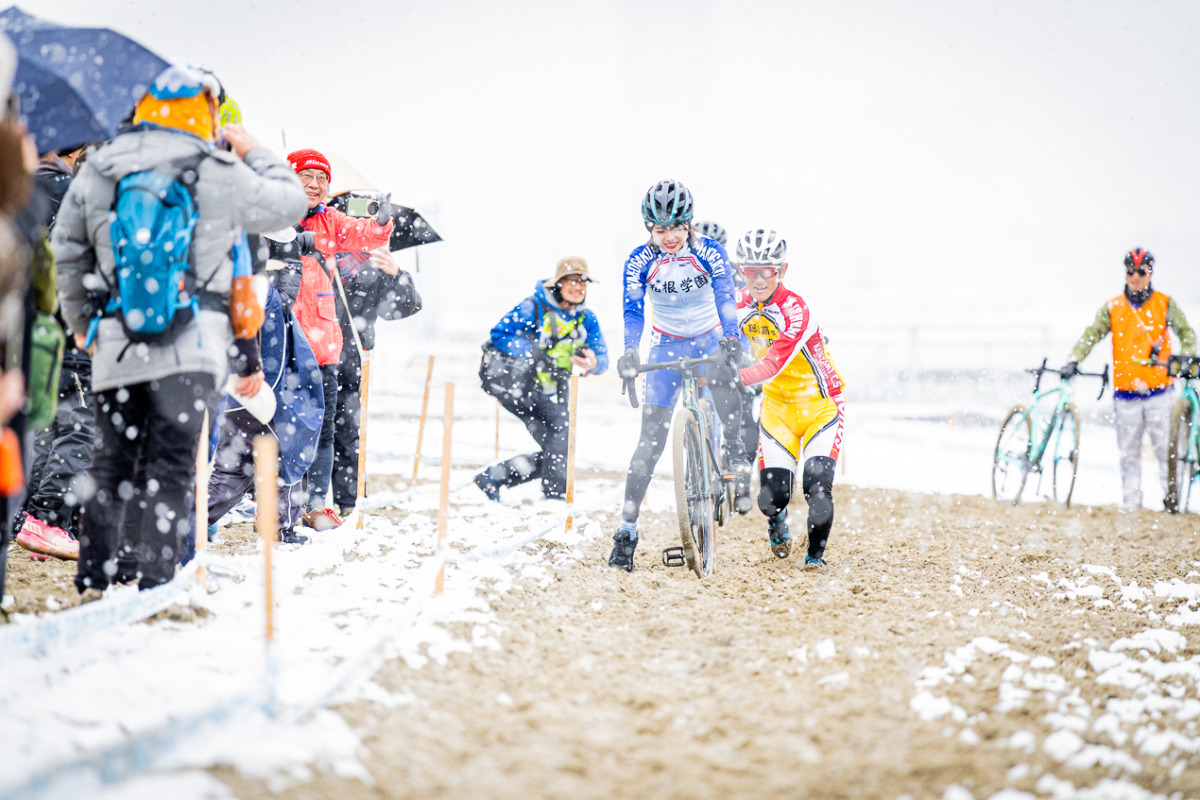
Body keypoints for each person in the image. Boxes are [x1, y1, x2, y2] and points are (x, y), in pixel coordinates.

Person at [54, 65, 307, 595]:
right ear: (205, 110)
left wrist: (86, 326)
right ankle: (157, 580)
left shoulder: (101, 166)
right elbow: (289, 205)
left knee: (112, 458)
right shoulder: (215, 166)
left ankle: (95, 575)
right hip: (194, 345)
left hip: (117, 340)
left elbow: (67, 254)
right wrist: (255, 150)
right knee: (170, 465)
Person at [609, 179, 746, 572]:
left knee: (723, 373)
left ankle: (733, 447)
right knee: (649, 442)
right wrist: (631, 353)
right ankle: (626, 532)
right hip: (666, 345)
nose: (668, 237)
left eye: (675, 228)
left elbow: (724, 295)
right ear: (649, 230)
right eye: (659, 229)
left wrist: (731, 336)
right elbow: (634, 312)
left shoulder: (710, 251)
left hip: (707, 338)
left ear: (689, 224)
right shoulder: (638, 261)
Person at [285, 148, 393, 531]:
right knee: (277, 426)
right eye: (306, 176)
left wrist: (381, 222)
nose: (315, 185)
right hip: (279, 341)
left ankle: (315, 505)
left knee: (322, 428)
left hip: (323, 344)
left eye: (322, 179)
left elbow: (362, 234)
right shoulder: (272, 217)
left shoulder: (330, 221)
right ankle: (278, 503)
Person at [733, 229, 846, 566]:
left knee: (817, 487)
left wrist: (731, 378)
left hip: (820, 407)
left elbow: (772, 364)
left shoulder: (798, 308)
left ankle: (815, 558)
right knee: (771, 499)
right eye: (749, 270)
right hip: (778, 410)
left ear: (781, 270)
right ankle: (776, 520)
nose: (757, 278)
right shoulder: (735, 304)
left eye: (766, 270)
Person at [1064, 247, 1196, 509]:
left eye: (1141, 272)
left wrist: (1187, 357)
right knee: (1128, 454)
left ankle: (1172, 504)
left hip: (1160, 392)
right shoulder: (1113, 307)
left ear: (1150, 273)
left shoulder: (1164, 303)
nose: (1136, 277)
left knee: (1166, 452)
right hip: (1125, 395)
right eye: (1131, 271)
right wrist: (1074, 359)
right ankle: (1132, 505)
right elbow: (1091, 334)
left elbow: (1187, 333)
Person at [12, 145, 93, 562]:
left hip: (42, 329)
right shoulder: (67, 191)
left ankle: (29, 517)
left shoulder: (28, 187)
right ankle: (48, 520)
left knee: (49, 426)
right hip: (70, 329)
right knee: (80, 426)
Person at [475, 257, 608, 501]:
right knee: (561, 441)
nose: (578, 287)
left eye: (583, 282)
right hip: (520, 387)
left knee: (558, 447)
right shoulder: (533, 307)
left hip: (556, 389)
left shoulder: (586, 319)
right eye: (572, 281)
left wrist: (594, 362)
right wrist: (533, 354)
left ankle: (494, 477)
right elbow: (499, 334)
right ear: (558, 284)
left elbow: (602, 357)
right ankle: (554, 497)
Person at [331, 246, 421, 517]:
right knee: (310, 434)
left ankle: (351, 503)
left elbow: (406, 306)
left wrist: (398, 274)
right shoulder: (316, 253)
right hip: (310, 358)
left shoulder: (370, 267)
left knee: (348, 435)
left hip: (350, 364)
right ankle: (307, 502)